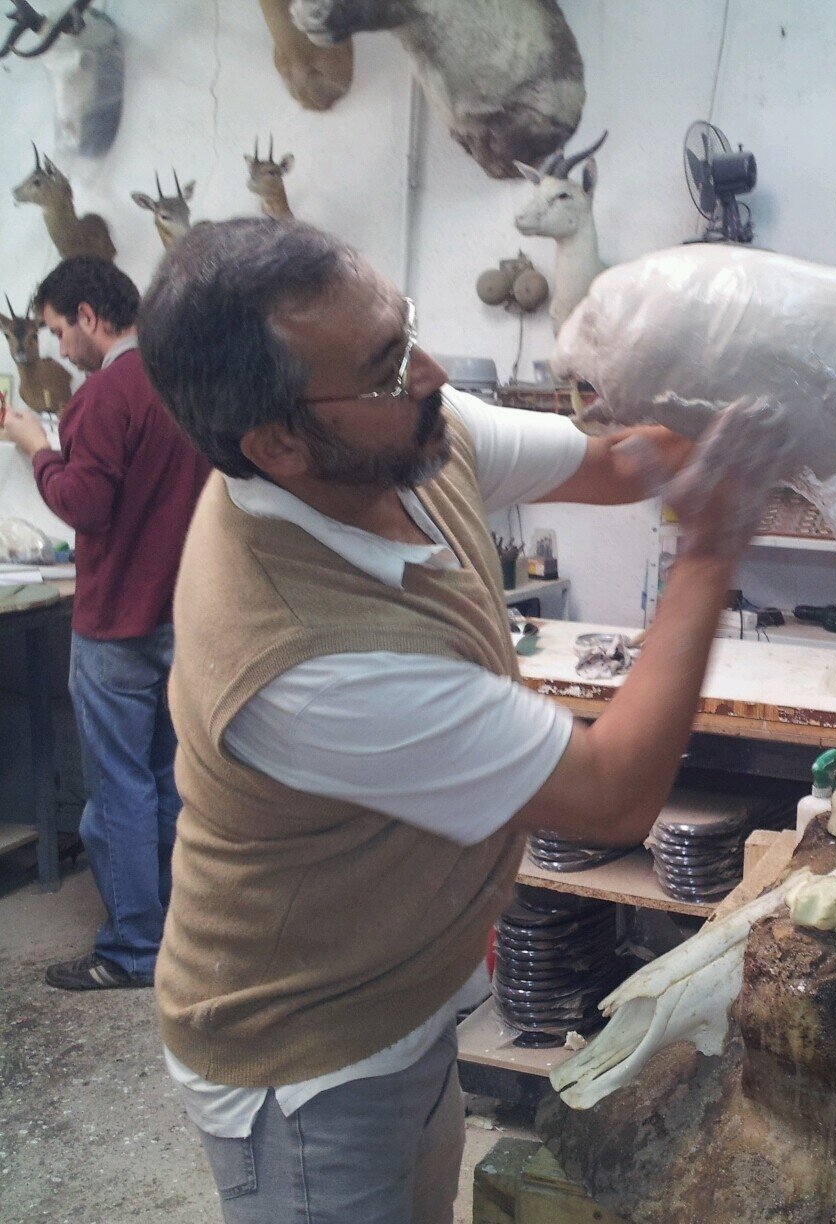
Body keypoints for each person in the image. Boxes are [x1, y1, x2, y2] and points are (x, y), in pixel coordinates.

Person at [136, 217, 775, 1224]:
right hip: (307, 1069)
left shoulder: (398, 439)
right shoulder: (307, 659)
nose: (430, 371)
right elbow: (614, 794)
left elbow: (615, 464)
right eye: (387, 363)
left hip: (403, 999)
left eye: (406, 331)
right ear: (277, 443)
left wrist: (741, 434)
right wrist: (712, 550)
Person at [1, 256, 212, 991]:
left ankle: (131, 949)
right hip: (182, 617)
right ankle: (175, 930)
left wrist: (36, 447)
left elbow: (84, 504)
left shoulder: (104, 396)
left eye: (60, 331)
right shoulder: (186, 380)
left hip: (117, 622)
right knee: (165, 779)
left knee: (118, 789)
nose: (60, 348)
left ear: (89, 316)